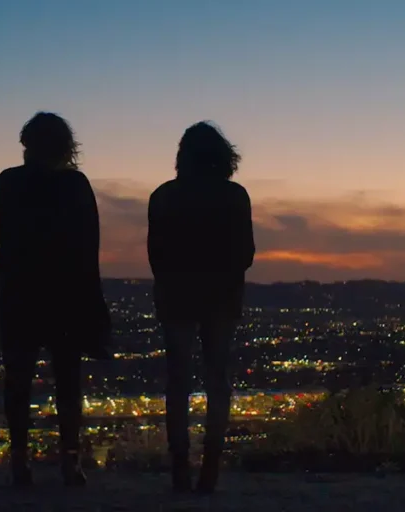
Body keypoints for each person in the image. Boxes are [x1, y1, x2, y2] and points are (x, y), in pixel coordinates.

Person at [0, 112, 111, 488]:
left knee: (18, 379)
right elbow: (88, 247)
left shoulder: (8, 182)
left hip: (20, 293)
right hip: (65, 294)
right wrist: (93, 303)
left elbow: (7, 242)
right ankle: (70, 461)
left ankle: (19, 460)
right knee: (67, 381)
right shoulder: (75, 185)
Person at [147, 121, 255, 493]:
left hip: (176, 296)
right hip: (222, 297)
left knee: (178, 381)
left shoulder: (163, 196)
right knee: (217, 381)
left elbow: (155, 254)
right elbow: (246, 253)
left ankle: (180, 465)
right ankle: (210, 467)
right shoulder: (235, 196)